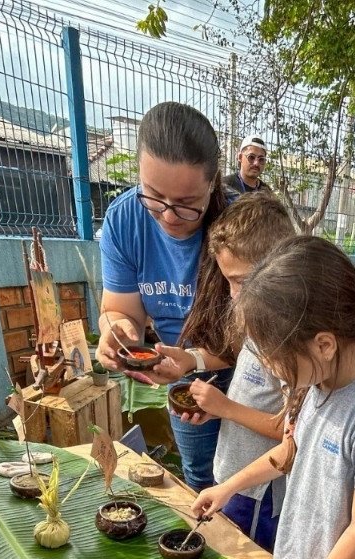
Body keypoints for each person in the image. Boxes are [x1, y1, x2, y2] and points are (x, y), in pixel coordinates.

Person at [192, 236, 355, 559]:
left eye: (276, 357)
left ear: (324, 344)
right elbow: (290, 451)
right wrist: (227, 488)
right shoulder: (317, 383)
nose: (273, 370)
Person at [95, 101, 233, 492]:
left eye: (188, 204)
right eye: (154, 196)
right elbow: (119, 310)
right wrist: (117, 331)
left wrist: (194, 359)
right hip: (180, 370)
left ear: (212, 184)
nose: (169, 215)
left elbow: (260, 339)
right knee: (200, 478)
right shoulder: (124, 219)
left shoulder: (237, 225)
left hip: (246, 370)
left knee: (246, 484)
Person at [185, 193, 298, 551]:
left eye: (241, 281)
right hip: (231, 474)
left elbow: (290, 432)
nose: (233, 295)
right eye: (228, 282)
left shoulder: (289, 343)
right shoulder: (255, 322)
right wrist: (214, 409)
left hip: (258, 492)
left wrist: (225, 408)